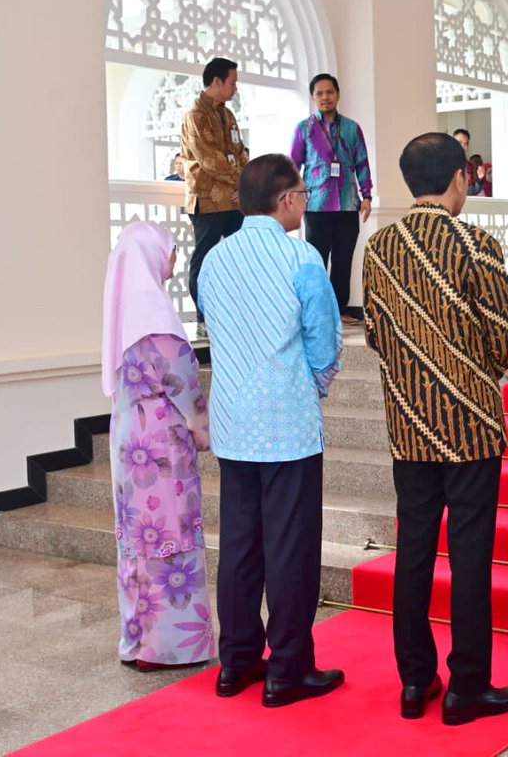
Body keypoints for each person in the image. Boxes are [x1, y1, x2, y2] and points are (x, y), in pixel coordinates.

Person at [362, 132, 508, 726]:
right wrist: (469, 373)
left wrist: (418, 373)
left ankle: (414, 680)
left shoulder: (378, 248)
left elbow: (375, 333)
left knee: (413, 550)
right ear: (461, 177)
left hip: (409, 423)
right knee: (470, 555)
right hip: (471, 425)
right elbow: (506, 334)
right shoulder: (477, 244)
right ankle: (467, 687)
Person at [198, 154, 344, 707]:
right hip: (286, 424)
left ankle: (235, 663)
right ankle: (288, 670)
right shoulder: (300, 256)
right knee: (290, 548)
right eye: (303, 194)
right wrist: (314, 386)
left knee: (239, 545)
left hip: (232, 421)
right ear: (285, 200)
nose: (305, 202)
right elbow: (324, 340)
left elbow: (214, 326)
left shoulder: (214, 259)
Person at [102, 221, 213, 673]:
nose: (174, 258)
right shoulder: (155, 311)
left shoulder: (124, 305)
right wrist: (202, 428)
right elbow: (181, 379)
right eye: (168, 249)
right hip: (160, 442)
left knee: (139, 536)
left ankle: (138, 639)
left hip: (129, 434)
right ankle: (169, 646)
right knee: (169, 531)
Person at [290, 73, 374, 325]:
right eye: (319, 93)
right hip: (316, 205)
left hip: (348, 203)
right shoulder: (304, 129)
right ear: (313, 97)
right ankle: (315, 311)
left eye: (329, 92)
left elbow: (362, 163)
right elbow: (292, 166)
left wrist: (367, 195)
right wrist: (294, 198)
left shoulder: (351, 128)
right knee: (316, 261)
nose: (325, 97)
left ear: (337, 94)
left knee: (343, 260)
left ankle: (340, 309)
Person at [180, 57, 249, 337]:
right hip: (207, 200)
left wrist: (243, 185)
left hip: (233, 199)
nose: (235, 88)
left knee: (240, 257)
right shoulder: (195, 115)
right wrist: (240, 181)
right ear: (217, 81)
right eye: (232, 82)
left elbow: (240, 152)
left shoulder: (228, 115)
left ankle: (236, 315)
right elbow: (210, 160)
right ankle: (203, 317)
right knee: (204, 260)